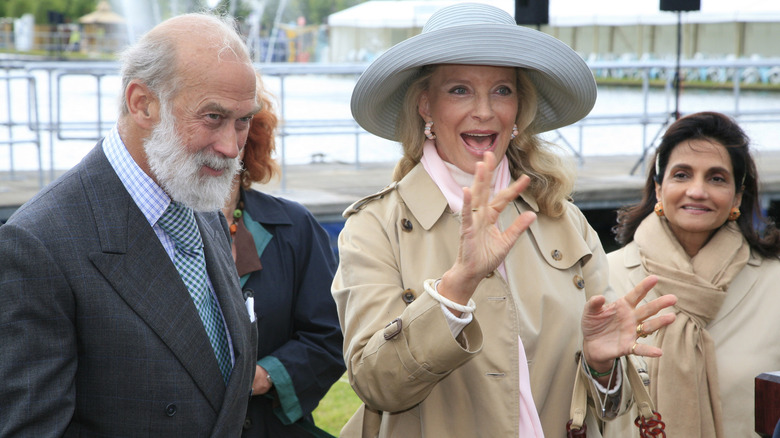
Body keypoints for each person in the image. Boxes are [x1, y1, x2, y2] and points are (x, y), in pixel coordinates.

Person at [331, 3, 678, 437]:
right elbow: (375, 384)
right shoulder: (373, 226)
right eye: (459, 90)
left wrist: (603, 366)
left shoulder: (563, 219)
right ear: (425, 105)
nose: (484, 111)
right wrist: (458, 285)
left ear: (519, 109)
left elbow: (616, 408)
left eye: (502, 91)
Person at [0, 13, 260, 436]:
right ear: (142, 103)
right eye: (213, 117)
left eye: (243, 120)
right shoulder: (37, 245)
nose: (231, 147)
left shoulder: (197, 197)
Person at [606, 111, 780, 437]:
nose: (697, 191)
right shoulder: (603, 278)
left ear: (738, 196)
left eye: (716, 178)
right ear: (659, 188)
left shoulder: (775, 285)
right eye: (682, 175)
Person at [222, 74, 346, 437]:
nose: (223, 144)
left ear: (252, 138)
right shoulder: (156, 232)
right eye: (211, 120)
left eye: (240, 124)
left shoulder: (296, 226)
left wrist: (262, 377)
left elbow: (331, 335)